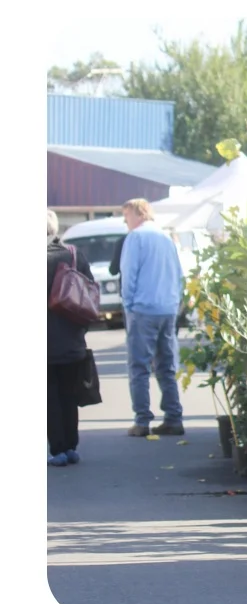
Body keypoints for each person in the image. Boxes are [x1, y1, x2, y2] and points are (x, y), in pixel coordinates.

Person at [116, 198, 185, 438]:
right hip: (167, 308)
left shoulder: (135, 237)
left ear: (136, 214)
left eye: (126, 217)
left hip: (143, 309)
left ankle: (142, 420)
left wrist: (128, 305)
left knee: (139, 366)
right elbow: (179, 274)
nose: (126, 223)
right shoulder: (166, 238)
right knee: (166, 366)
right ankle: (173, 417)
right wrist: (175, 302)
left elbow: (129, 274)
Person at [48, 211, 99, 466]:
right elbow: (90, 292)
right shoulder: (74, 254)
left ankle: (57, 449)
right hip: (72, 337)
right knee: (69, 395)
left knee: (49, 396)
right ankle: (71, 447)